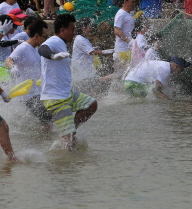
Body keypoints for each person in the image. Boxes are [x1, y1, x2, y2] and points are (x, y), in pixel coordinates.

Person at [38, 14, 97, 150]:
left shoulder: (62, 43)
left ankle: (71, 130)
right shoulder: (55, 40)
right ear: (62, 29)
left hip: (66, 94)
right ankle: (65, 166)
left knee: (91, 104)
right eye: (72, 29)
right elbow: (42, 49)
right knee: (70, 144)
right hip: (56, 98)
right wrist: (52, 56)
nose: (74, 32)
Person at [6, 18, 52, 127]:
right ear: (36, 36)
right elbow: (8, 60)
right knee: (47, 121)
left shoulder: (36, 49)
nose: (46, 40)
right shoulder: (23, 48)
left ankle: (39, 141)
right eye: (45, 37)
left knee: (49, 121)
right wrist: (12, 67)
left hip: (39, 93)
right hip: (29, 95)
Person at [71, 17, 113, 94]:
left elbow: (87, 49)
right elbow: (92, 52)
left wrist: (93, 48)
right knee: (100, 82)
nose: (91, 30)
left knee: (95, 87)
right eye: (89, 28)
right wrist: (106, 52)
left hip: (86, 70)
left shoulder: (83, 38)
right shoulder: (80, 39)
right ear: (83, 28)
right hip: (81, 70)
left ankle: (92, 101)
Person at [122, 56, 191, 98]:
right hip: (133, 84)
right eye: (181, 70)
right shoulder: (166, 69)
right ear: (176, 66)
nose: (181, 73)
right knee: (155, 97)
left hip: (127, 82)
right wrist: (169, 102)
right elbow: (156, 90)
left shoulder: (163, 65)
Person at [113, 0, 137, 75]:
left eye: (135, 2)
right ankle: (100, 81)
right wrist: (128, 41)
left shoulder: (127, 13)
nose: (134, 4)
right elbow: (116, 30)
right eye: (132, 2)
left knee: (127, 73)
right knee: (120, 75)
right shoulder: (121, 14)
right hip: (122, 50)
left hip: (128, 49)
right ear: (125, 2)